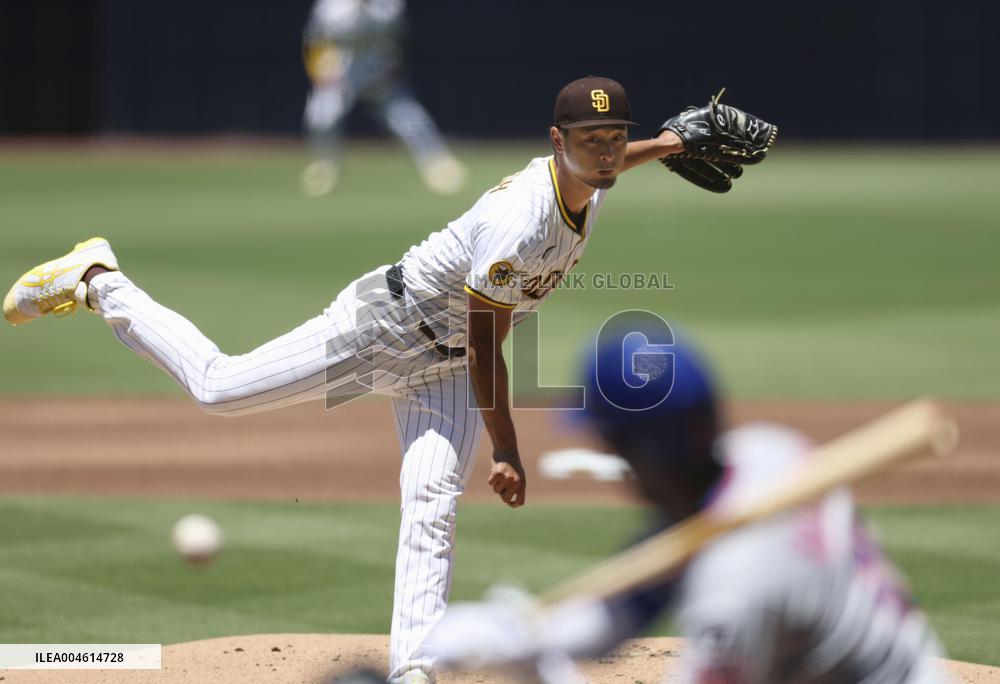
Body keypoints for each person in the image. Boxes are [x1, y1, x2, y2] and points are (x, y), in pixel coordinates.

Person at [3, 76, 694, 684]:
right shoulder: (520, 221)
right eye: (589, 138)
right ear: (556, 139)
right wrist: (507, 449)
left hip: (443, 366)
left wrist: (668, 145)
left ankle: (414, 669)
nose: (606, 151)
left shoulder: (589, 183)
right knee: (219, 388)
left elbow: (603, 172)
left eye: (614, 138)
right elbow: (489, 347)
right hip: (380, 328)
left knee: (433, 501)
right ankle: (99, 279)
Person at [428, 314, 953, 683]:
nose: (617, 462)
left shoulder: (736, 589)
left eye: (618, 445)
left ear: (652, 449)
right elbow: (639, 593)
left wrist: (547, 677)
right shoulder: (767, 455)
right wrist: (531, 633)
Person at [301, 0, 466, 196]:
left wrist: (391, 68)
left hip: (376, 69)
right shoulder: (330, 6)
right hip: (340, 70)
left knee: (408, 118)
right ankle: (323, 167)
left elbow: (396, 41)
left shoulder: (390, 6)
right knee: (322, 117)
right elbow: (314, 40)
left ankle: (437, 165)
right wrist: (319, 71)